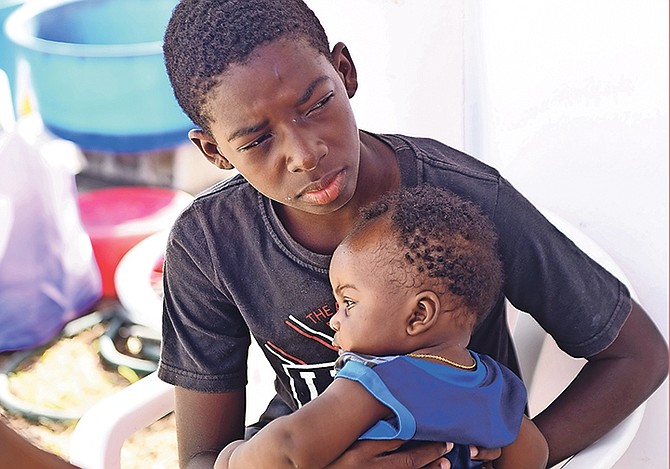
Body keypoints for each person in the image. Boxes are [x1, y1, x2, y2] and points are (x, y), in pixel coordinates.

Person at [158, 0, 668, 468]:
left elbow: (637, 354)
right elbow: (202, 458)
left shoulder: (467, 196)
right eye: (259, 139)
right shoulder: (208, 244)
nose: (304, 153)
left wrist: (523, 454)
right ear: (215, 152)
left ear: (344, 71)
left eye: (315, 105)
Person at [213, 185, 549, 469]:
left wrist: (231, 458)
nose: (334, 319)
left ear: (419, 314)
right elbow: (535, 455)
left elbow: (290, 446)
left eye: (349, 303)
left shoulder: (377, 382)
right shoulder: (491, 384)